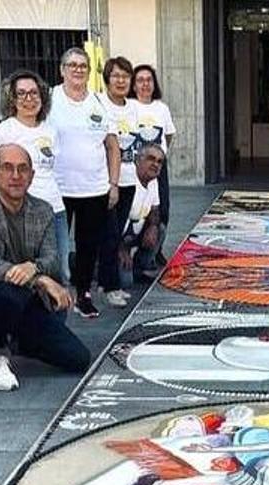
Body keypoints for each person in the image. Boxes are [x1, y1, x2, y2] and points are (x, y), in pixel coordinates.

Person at [0, 144, 91, 391]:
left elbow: (51, 257)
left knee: (77, 358)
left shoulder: (43, 210)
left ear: (31, 175)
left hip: (27, 303)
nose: (15, 175)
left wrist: (34, 268)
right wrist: (40, 279)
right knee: (10, 292)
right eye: (7, 168)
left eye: (22, 169)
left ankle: (17, 339)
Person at [49, 47, 122, 319]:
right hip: (57, 188)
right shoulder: (49, 98)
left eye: (83, 66)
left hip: (94, 188)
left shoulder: (99, 102)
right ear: (62, 69)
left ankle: (83, 295)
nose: (78, 70)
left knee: (88, 246)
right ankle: (53, 294)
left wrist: (113, 184)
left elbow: (113, 147)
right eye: (72, 65)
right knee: (55, 247)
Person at [0, 69, 69, 283]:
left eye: (34, 93)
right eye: (21, 94)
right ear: (12, 99)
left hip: (54, 210)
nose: (28, 99)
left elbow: (54, 170)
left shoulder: (50, 130)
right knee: (27, 278)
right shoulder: (3, 132)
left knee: (60, 272)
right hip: (21, 213)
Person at [97, 56, 142, 308]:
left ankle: (106, 280)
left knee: (114, 234)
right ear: (107, 78)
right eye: (116, 75)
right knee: (111, 234)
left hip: (129, 180)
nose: (121, 80)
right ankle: (110, 285)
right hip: (105, 182)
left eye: (126, 76)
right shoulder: (99, 104)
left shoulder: (133, 108)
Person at [130, 64, 176, 240]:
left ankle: (157, 249)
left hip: (158, 167)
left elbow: (169, 134)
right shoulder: (130, 107)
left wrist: (159, 155)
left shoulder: (161, 108)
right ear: (134, 86)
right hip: (137, 169)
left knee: (162, 208)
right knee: (138, 209)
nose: (145, 84)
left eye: (149, 80)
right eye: (140, 80)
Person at [119, 143, 166, 287]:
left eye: (159, 161)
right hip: (114, 240)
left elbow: (155, 209)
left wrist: (152, 226)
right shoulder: (126, 180)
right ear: (138, 160)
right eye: (150, 159)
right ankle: (84, 263)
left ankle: (139, 268)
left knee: (160, 229)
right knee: (125, 282)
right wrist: (120, 249)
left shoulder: (153, 182)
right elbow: (108, 221)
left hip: (133, 235)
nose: (155, 164)